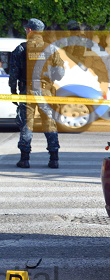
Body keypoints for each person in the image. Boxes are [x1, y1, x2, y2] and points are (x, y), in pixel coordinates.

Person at [8, 18, 63, 169]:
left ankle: (24, 159)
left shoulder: (21, 48)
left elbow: (13, 74)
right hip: (46, 92)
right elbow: (60, 73)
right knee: (49, 124)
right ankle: (54, 159)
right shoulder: (51, 49)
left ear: (30, 31)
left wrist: (13, 91)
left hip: (28, 91)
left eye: (26, 29)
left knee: (27, 125)